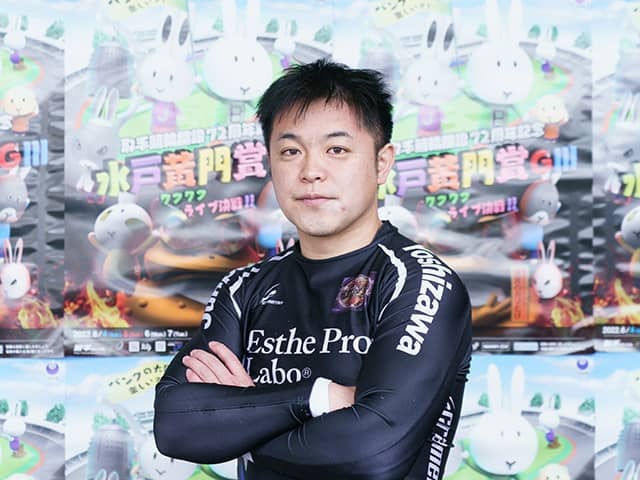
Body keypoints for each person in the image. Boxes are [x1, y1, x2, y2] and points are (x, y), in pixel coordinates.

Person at [154, 59, 472, 480]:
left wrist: (245, 415)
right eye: (290, 151)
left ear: (381, 163)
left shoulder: (418, 282)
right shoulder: (244, 288)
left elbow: (374, 453)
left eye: (336, 150)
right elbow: (175, 426)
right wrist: (318, 398)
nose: (310, 172)